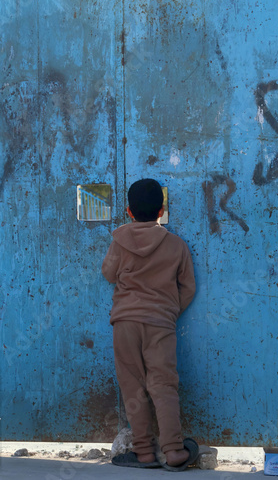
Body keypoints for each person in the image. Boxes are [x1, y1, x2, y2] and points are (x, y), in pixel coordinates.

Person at [102, 178, 198, 471]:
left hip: (125, 323)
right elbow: (188, 288)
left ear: (129, 211)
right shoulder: (176, 245)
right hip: (160, 324)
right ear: (161, 210)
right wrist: (169, 312)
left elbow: (108, 274)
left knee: (133, 386)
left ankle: (143, 452)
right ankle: (173, 451)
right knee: (163, 385)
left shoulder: (119, 240)